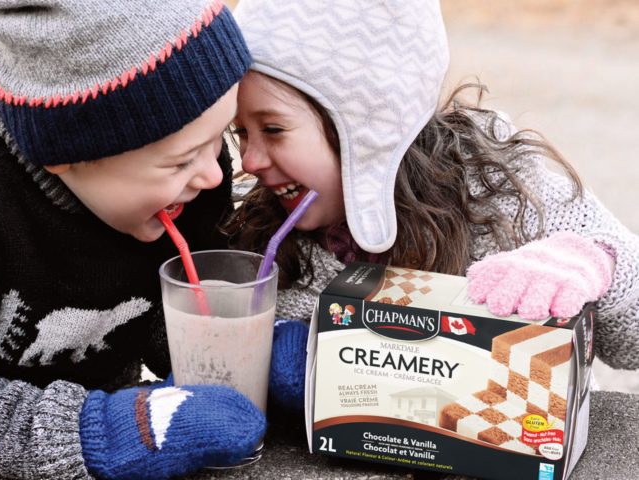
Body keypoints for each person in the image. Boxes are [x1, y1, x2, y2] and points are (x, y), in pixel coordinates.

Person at [0, 1, 265, 479]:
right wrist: (101, 432)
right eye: (181, 160)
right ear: (68, 153)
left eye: (220, 138)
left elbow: (158, 315)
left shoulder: (189, 192)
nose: (214, 175)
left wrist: (252, 350)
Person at [228, 0, 639, 411]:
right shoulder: (264, 236)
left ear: (365, 126)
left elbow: (632, 346)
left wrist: (597, 265)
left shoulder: (502, 192)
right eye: (241, 131)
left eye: (274, 129)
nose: (250, 160)